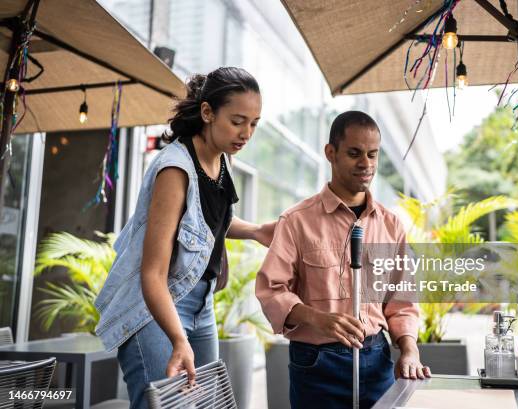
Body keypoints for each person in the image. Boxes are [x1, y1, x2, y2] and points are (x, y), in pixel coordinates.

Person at [95, 67, 275, 409]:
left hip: (201, 304)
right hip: (156, 307)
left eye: (254, 123)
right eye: (238, 121)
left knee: (207, 404)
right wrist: (178, 338)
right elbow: (152, 274)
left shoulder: (222, 161)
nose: (246, 133)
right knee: (167, 405)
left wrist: (255, 232)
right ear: (207, 112)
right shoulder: (175, 170)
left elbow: (202, 222)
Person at [256, 110, 431, 409]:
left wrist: (409, 350)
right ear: (330, 153)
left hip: (377, 361)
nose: (366, 164)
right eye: (354, 153)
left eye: (372, 154)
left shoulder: (391, 226)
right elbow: (271, 289)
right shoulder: (296, 221)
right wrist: (317, 318)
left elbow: (401, 302)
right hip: (315, 365)